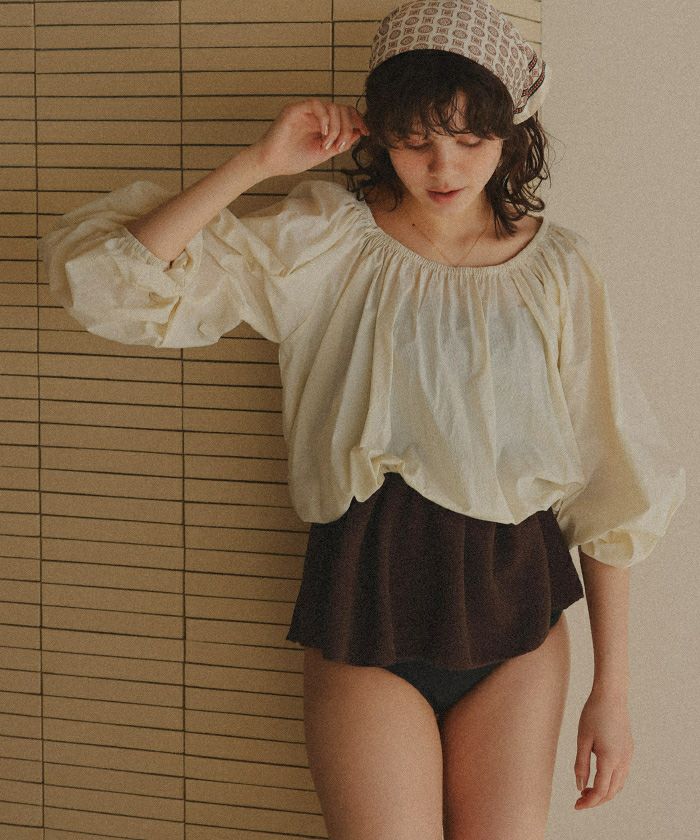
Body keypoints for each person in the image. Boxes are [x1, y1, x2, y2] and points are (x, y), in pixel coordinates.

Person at [39, 1, 685, 837]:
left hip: (518, 610)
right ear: (380, 132)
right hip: (366, 598)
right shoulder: (327, 239)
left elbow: (612, 480)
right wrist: (258, 162)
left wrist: (613, 693)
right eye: (416, 139)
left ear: (511, 132)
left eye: (470, 139)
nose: (444, 166)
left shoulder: (559, 268)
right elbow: (108, 279)